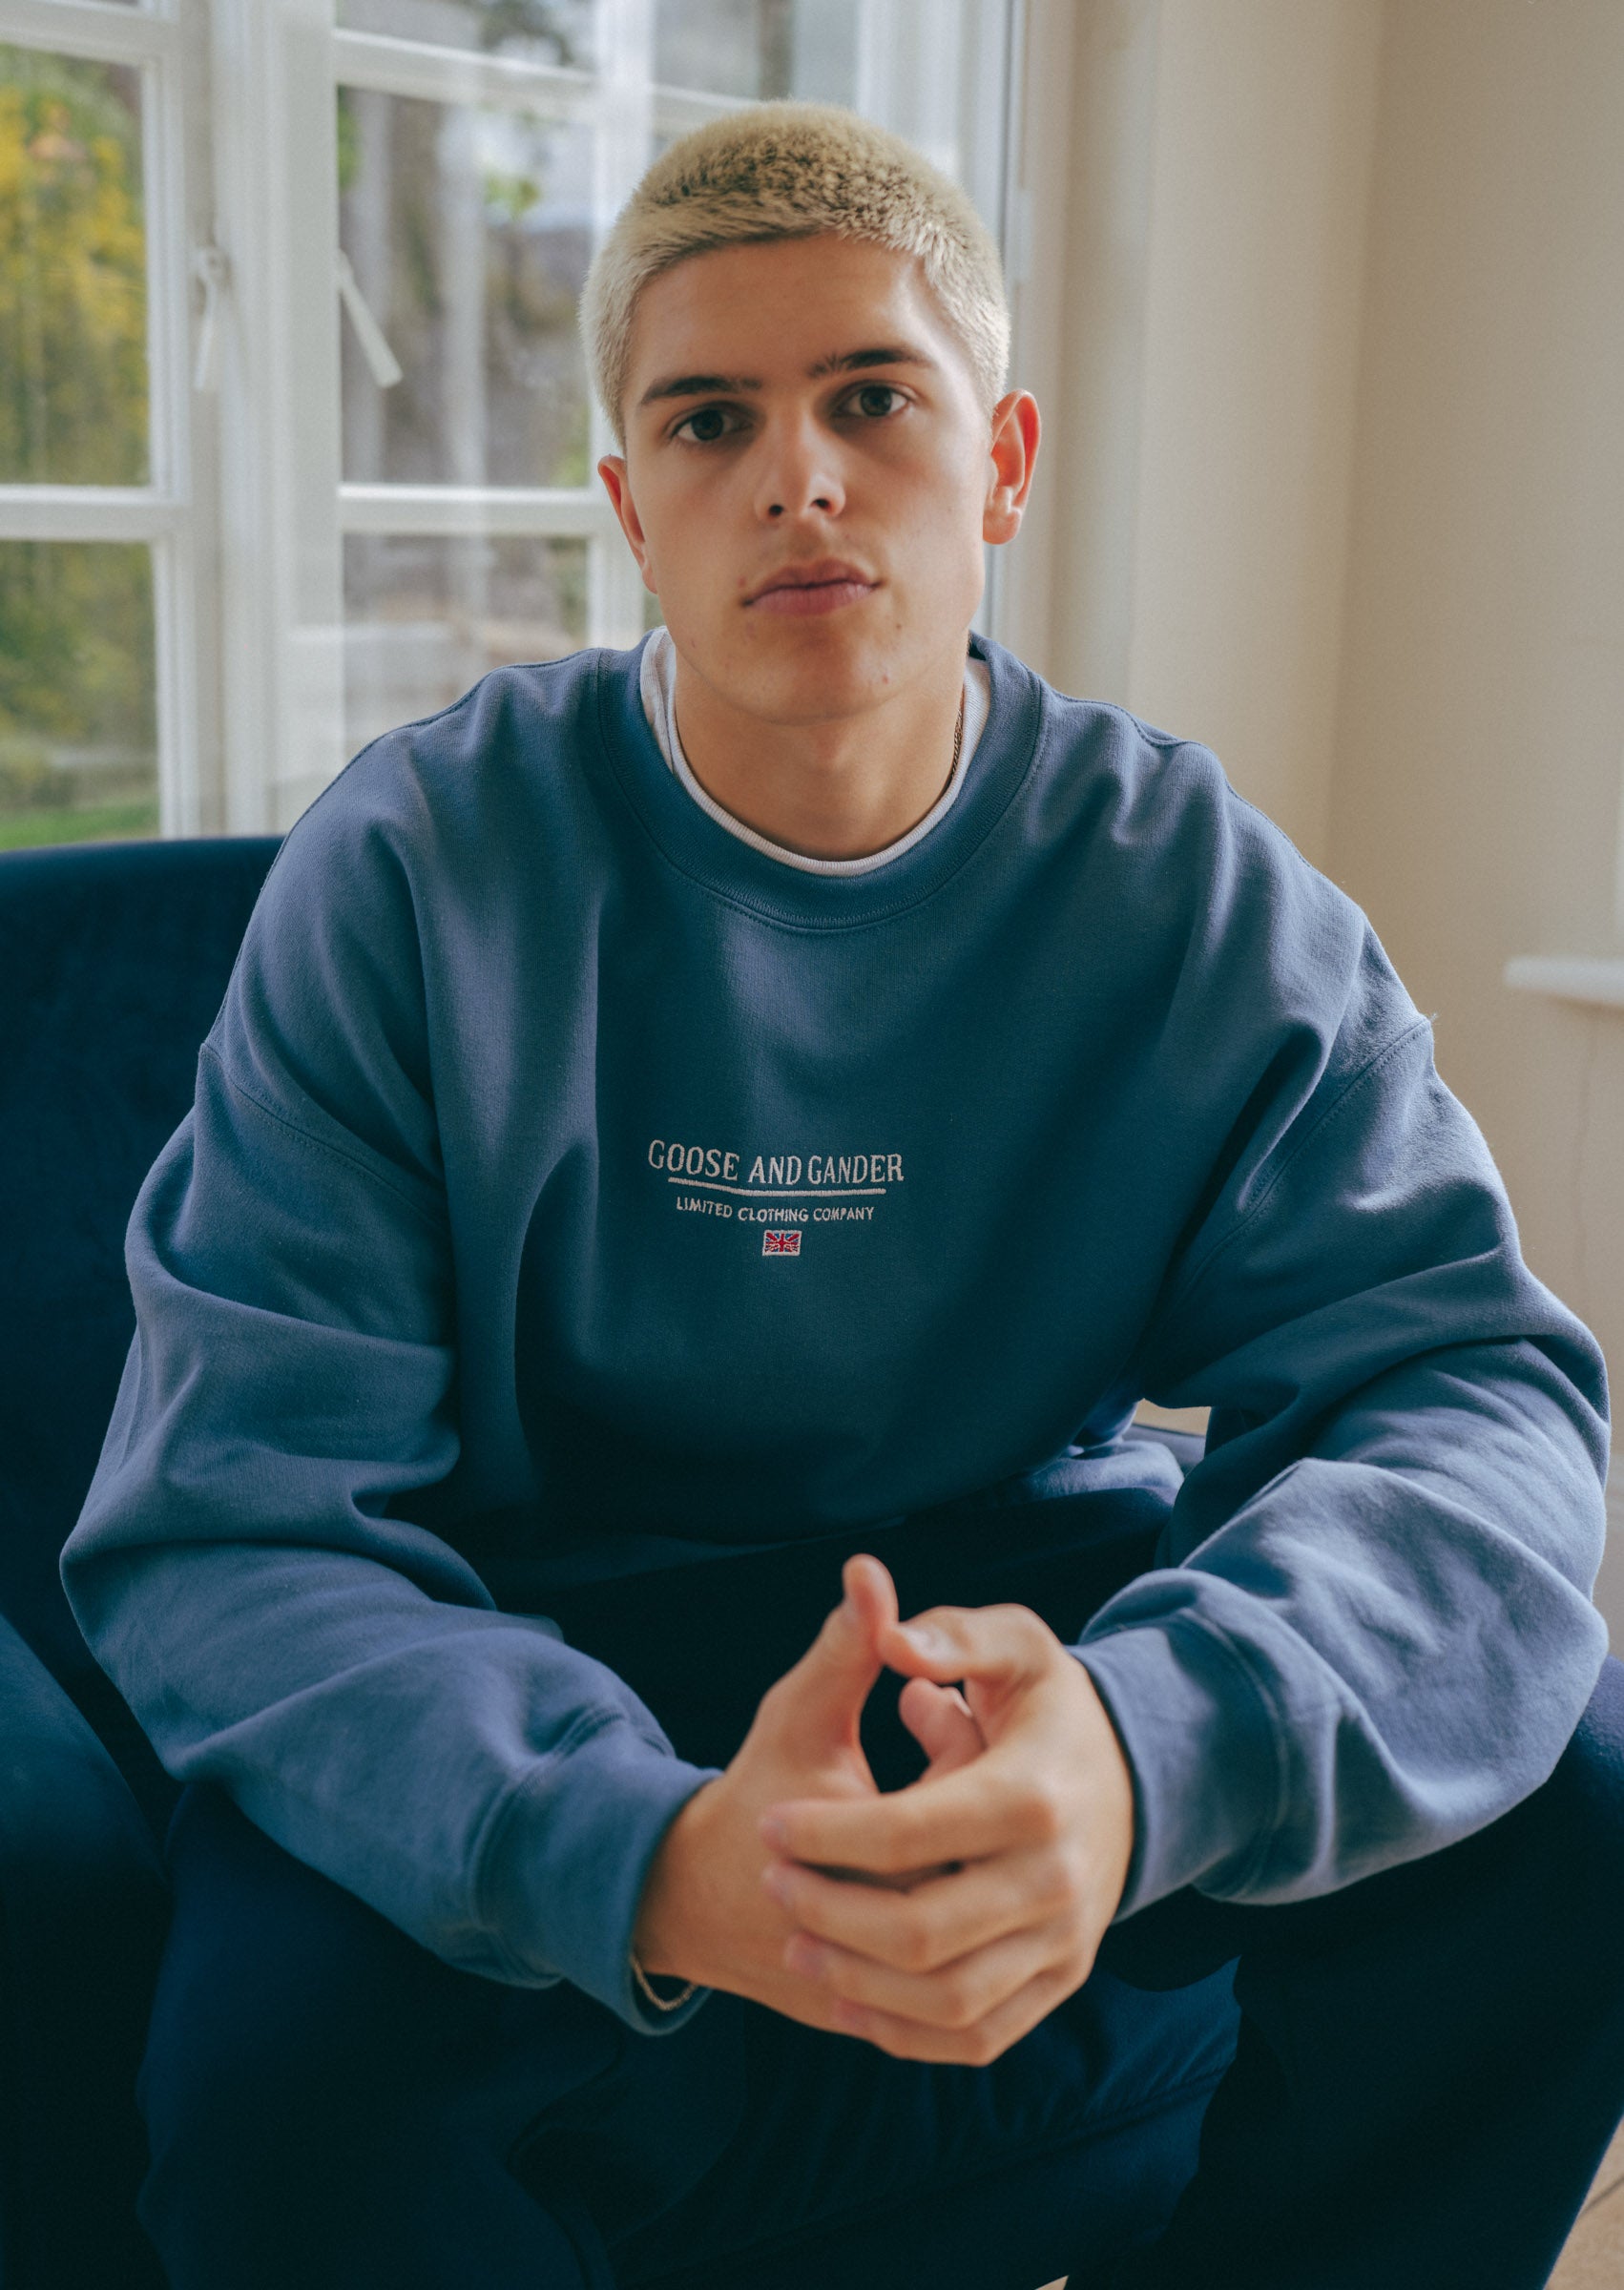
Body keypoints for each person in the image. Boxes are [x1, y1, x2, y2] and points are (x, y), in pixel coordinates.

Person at [63, 101, 1624, 2290]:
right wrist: (640, 1852)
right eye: (708, 420)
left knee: (1574, 1802)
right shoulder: (414, 871)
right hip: (532, 1616)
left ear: (1000, 461)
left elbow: (1471, 1393)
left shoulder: (1185, 892)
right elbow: (229, 1515)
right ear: (631, 509)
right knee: (279, 2079)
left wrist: (1146, 1745)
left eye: (871, 398)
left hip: (1009, 1612)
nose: (795, 476)